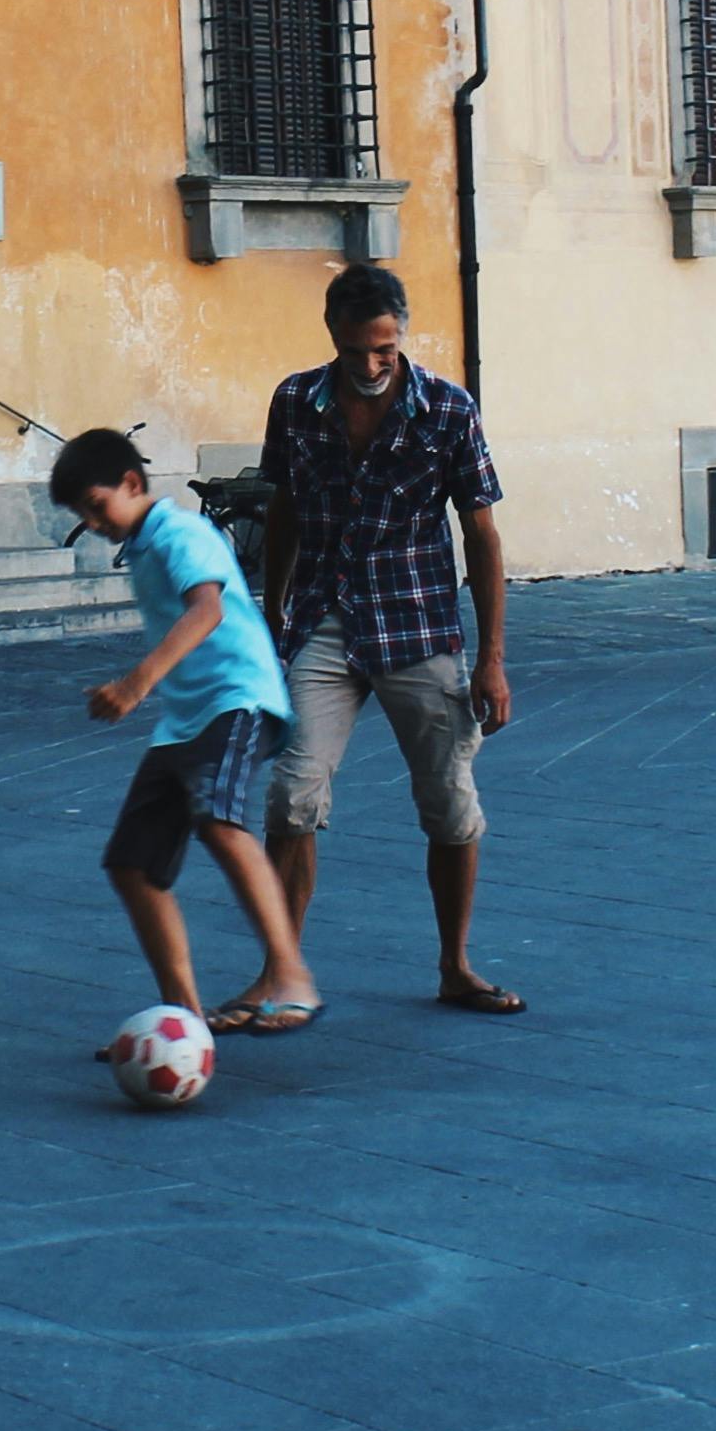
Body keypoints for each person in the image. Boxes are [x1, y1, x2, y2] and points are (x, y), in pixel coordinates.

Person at [259, 263, 522, 1015]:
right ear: (331, 335)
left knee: (449, 801)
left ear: (401, 334)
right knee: (291, 796)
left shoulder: (447, 407)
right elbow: (283, 507)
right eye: (356, 351)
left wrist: (492, 660)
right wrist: (273, 612)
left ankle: (455, 966)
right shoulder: (294, 401)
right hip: (323, 617)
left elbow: (482, 535)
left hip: (417, 623)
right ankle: (282, 974)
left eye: (384, 349)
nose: (371, 365)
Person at [50, 425, 321, 1042]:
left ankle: (291, 977)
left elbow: (208, 610)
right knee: (131, 864)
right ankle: (183, 1019)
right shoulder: (142, 545)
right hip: (186, 721)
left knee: (220, 822)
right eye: (81, 514)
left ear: (132, 483)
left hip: (237, 698)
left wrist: (135, 685)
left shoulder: (180, 533)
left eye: (96, 506)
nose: (92, 523)